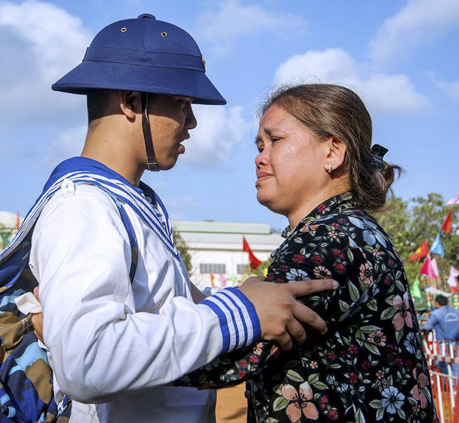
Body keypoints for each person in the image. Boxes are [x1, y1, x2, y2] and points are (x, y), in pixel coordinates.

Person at [26, 15, 337, 423]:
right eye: (182, 104)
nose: (191, 123)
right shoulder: (84, 207)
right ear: (132, 101)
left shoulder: (129, 204)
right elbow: (87, 363)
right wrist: (238, 311)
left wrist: (235, 302)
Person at [177, 84, 437, 422]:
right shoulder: (350, 230)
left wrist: (118, 344)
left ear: (333, 152)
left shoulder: (331, 239)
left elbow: (222, 358)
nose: (260, 157)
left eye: (276, 140)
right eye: (259, 145)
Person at [425, 294, 459, 376]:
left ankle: (447, 383)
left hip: (444, 343)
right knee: (455, 364)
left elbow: (427, 327)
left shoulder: (436, 313)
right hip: (457, 343)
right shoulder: (457, 311)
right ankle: (455, 386)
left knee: (441, 363)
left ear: (437, 303)